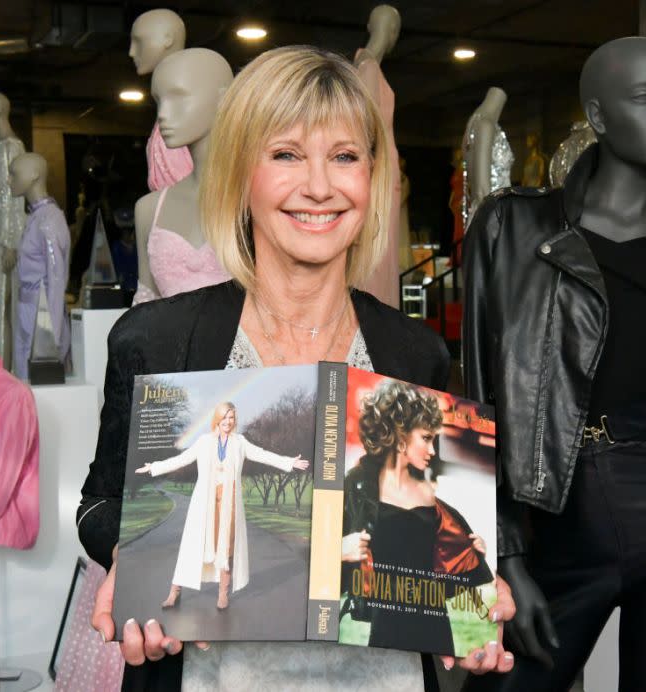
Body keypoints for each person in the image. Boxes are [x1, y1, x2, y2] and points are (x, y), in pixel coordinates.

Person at [77, 45, 514, 691]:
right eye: (285, 154)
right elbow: (99, 505)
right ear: (241, 173)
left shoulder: (413, 351)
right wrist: (135, 553)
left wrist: (471, 592)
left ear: (372, 175)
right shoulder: (158, 339)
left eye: (344, 156)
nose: (319, 186)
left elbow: (426, 522)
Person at [461, 37, 646, 692]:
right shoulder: (510, 229)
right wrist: (506, 551)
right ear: (598, 116)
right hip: (552, 520)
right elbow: (480, 397)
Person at [341, 379, 494, 654]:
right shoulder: (356, 487)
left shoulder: (432, 499)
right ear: (400, 436)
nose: (433, 450)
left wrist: (472, 554)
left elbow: (448, 576)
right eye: (426, 438)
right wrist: (338, 551)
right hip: (384, 632)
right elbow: (315, 564)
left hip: (435, 632)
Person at [136, 401, 309, 610]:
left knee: (226, 547)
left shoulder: (240, 443)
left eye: (232, 418)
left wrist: (289, 462)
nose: (228, 422)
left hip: (229, 504)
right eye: (225, 417)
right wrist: (154, 467)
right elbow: (182, 460)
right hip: (204, 503)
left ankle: (223, 594)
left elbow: (263, 455)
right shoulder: (203, 441)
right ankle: (174, 592)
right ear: (217, 419)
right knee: (192, 547)